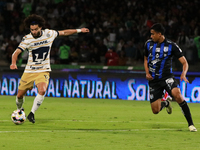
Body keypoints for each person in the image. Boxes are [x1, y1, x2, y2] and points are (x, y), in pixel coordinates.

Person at [10, 14, 89, 123]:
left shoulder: (49, 33)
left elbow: (64, 32)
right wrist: (13, 63)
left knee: (42, 90)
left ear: (41, 27)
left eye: (35, 29)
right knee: (19, 95)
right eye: (31, 29)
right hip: (29, 70)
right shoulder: (27, 39)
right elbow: (16, 52)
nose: (33, 32)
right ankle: (19, 110)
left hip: (43, 69)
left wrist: (79, 30)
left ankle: (31, 114)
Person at [144, 23, 197, 132]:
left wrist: (183, 73)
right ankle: (166, 103)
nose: (151, 36)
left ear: (159, 34)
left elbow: (185, 62)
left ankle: (191, 124)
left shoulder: (171, 46)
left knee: (178, 95)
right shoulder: (148, 44)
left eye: (153, 34)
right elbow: (145, 59)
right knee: (155, 110)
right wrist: (147, 72)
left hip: (167, 77)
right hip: (154, 81)